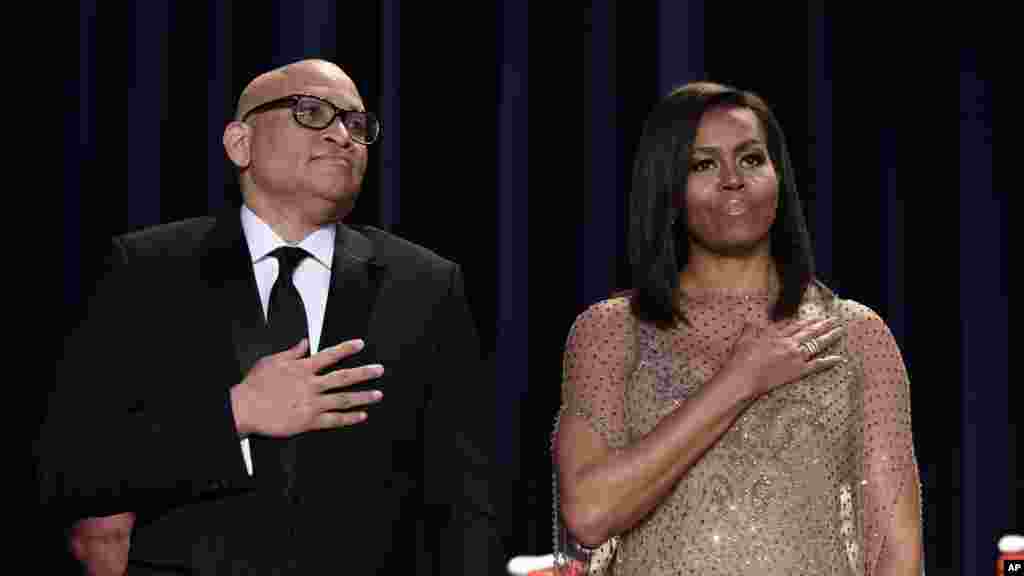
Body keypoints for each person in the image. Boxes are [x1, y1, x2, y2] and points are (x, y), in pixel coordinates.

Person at [42, 59, 503, 575]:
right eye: (311, 112)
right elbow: (72, 471)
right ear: (240, 143)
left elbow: (466, 497)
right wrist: (233, 416)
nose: (341, 135)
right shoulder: (148, 269)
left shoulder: (426, 283)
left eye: (356, 124)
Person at [554, 82, 922, 575]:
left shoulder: (855, 335)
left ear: (779, 176)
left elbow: (895, 553)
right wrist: (740, 380)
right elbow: (589, 514)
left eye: (751, 159)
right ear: (669, 186)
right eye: (703, 165)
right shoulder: (610, 332)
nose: (733, 180)